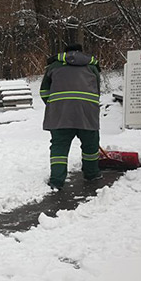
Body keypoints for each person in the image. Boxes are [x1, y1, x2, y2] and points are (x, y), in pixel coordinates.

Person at [40, 43, 102, 189]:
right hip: (87, 113)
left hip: (60, 114)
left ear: (65, 53)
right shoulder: (92, 66)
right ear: (81, 52)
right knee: (90, 145)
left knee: (59, 147)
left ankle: (56, 180)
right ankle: (91, 174)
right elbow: (96, 91)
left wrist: (55, 105)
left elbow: (44, 91)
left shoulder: (54, 67)